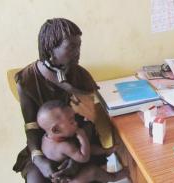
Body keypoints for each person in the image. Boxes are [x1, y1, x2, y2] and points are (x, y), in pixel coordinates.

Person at [13, 18, 117, 182]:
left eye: (79, 46)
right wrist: (39, 159)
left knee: (86, 174)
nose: (78, 52)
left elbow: (88, 122)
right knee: (35, 178)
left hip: (83, 139)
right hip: (45, 145)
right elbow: (31, 126)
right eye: (71, 47)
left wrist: (75, 157)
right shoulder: (27, 80)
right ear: (50, 49)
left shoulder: (81, 76)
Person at [37, 100, 127, 183]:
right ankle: (113, 177)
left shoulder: (46, 138)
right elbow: (84, 158)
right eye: (71, 122)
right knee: (92, 171)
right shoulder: (64, 146)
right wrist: (83, 137)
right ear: (56, 130)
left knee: (87, 147)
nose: (76, 123)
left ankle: (105, 151)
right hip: (69, 180)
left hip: (67, 167)